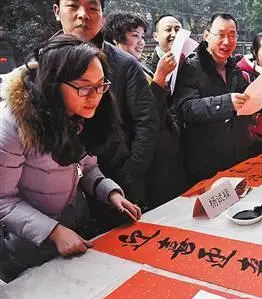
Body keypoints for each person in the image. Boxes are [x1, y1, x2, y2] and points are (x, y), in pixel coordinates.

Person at [0, 35, 141, 282]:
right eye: (84, 86)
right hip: (29, 247)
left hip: (77, 229)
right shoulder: (14, 124)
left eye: (101, 85)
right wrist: (53, 232)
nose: (95, 95)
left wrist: (111, 193)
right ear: (53, 84)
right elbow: (3, 200)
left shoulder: (83, 112)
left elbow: (86, 167)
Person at [53, 0, 159, 213]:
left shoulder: (124, 64)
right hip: (56, 193)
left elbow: (147, 121)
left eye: (92, 8)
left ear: (102, 15)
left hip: (115, 186)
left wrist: (127, 174)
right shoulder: (42, 63)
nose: (83, 15)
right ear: (57, 11)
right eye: (73, 6)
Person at [103, 12, 188, 208]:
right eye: (135, 36)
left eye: (142, 36)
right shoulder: (113, 72)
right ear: (116, 38)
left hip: (165, 153)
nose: (141, 42)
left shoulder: (139, 66)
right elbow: (144, 116)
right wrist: (159, 78)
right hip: (147, 161)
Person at [172, 13, 252, 184]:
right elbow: (186, 109)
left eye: (232, 35)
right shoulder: (191, 68)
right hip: (207, 163)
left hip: (238, 155)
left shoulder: (234, 68)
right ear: (206, 35)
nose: (227, 41)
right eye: (221, 35)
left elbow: (248, 101)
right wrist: (225, 103)